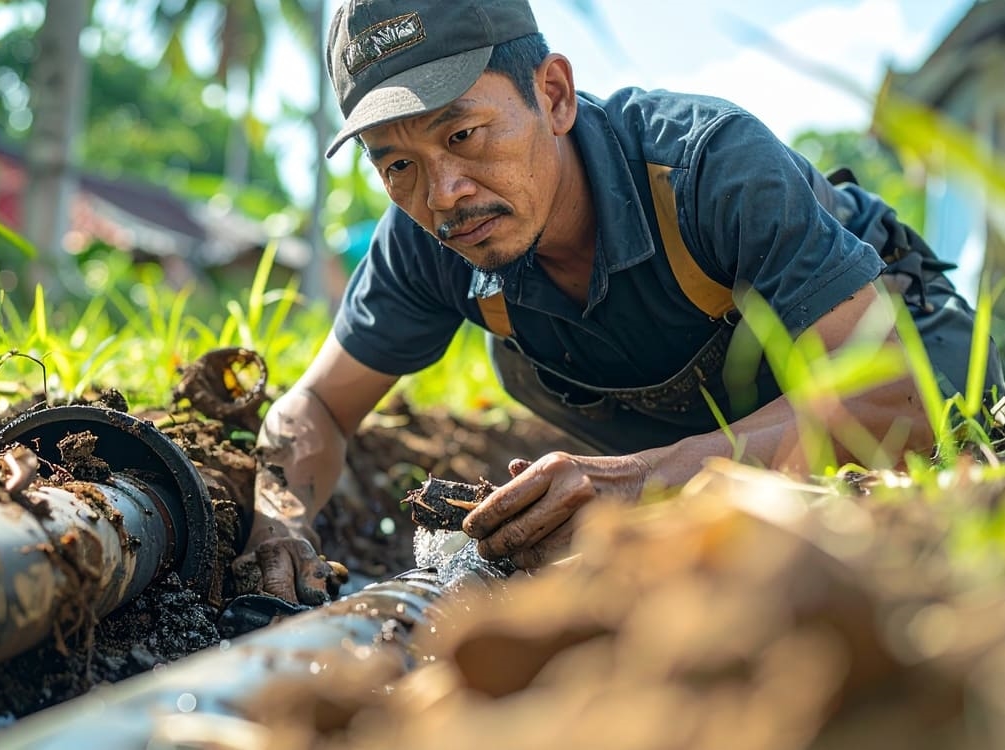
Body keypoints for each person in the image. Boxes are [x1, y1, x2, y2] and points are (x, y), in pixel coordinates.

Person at [235, 0, 1005, 604]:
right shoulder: (424, 240)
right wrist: (279, 517)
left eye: (464, 134)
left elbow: (887, 402)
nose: (443, 195)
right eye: (396, 164)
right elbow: (316, 409)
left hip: (893, 364)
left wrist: (637, 482)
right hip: (698, 436)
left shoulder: (713, 169)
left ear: (555, 94)